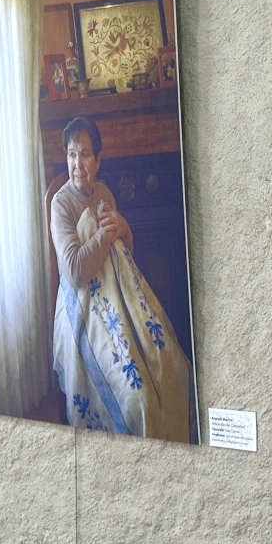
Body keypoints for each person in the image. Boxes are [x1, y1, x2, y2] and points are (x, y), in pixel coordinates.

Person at [49, 116, 194, 441]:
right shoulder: (61, 204)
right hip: (84, 310)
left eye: (85, 154)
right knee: (137, 397)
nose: (77, 164)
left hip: (119, 299)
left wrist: (124, 227)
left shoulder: (103, 192)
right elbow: (74, 271)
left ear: (98, 160)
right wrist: (104, 233)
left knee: (173, 368)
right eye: (71, 154)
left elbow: (124, 255)